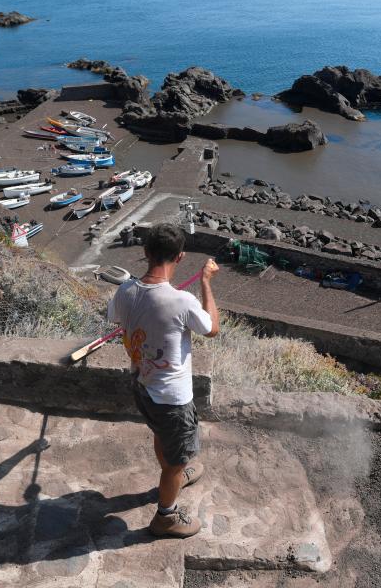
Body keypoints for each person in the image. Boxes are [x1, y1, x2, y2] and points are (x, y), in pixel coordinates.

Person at [107, 223, 219, 538]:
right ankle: (165, 516)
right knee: (175, 459)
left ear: (145, 252)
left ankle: (174, 472)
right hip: (172, 398)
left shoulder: (125, 289)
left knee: (162, 435)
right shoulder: (181, 301)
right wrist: (206, 282)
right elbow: (211, 328)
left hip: (142, 386)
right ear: (180, 257)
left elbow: (115, 315)